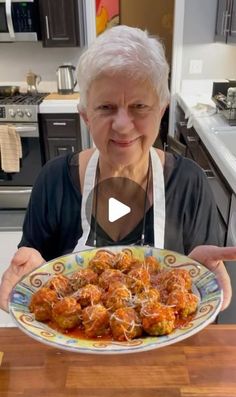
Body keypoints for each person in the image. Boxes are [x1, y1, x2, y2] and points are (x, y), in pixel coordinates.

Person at [0, 25, 235, 312]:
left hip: (166, 356)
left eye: (139, 106)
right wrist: (31, 278)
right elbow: (33, 271)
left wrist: (201, 282)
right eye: (106, 107)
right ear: (86, 115)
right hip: (72, 353)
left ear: (161, 110)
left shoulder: (190, 183)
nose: (123, 126)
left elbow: (203, 294)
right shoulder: (53, 181)